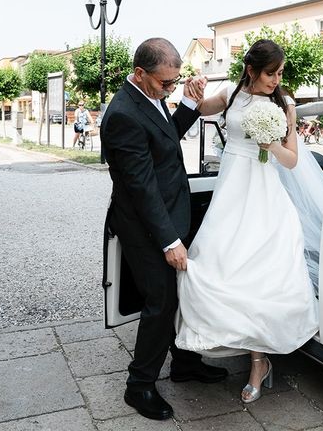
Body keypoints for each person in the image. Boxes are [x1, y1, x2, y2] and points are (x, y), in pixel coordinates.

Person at [175, 39, 323, 404]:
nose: (277, 79)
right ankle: (223, 339)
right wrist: (192, 91)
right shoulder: (232, 92)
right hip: (231, 192)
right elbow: (202, 108)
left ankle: (259, 363)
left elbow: (290, 160)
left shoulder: (285, 105)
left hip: (265, 196)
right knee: (217, 261)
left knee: (260, 274)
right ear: (251, 70)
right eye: (271, 73)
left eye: (280, 73)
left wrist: (268, 142)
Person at [101, 38, 227, 421]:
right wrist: (170, 240)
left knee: (180, 294)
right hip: (145, 224)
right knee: (162, 301)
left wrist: (188, 104)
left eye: (175, 82)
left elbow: (164, 138)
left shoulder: (147, 95)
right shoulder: (122, 113)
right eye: (165, 84)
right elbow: (141, 187)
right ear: (140, 74)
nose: (170, 89)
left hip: (168, 212)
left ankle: (185, 363)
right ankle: (139, 385)